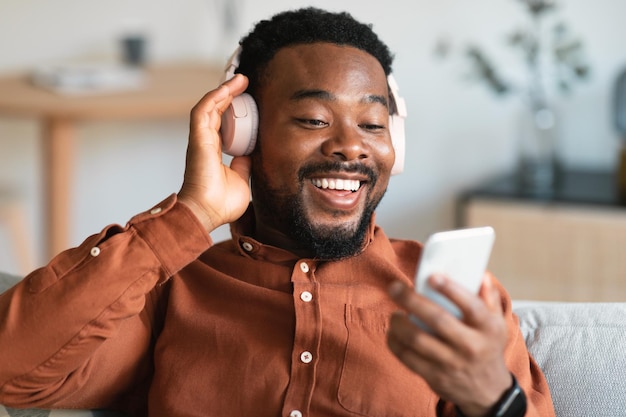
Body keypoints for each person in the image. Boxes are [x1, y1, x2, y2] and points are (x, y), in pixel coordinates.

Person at [0, 7, 555, 417]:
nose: (352, 147)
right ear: (243, 132)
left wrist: (495, 401)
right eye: (314, 120)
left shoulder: (453, 300)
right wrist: (190, 214)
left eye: (373, 124)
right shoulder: (170, 292)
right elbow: (12, 369)